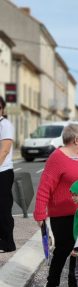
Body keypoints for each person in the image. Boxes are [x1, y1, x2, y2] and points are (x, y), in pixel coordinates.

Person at [34, 123, 78, 287]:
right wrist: (40, 214)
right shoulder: (57, 158)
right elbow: (45, 187)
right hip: (62, 214)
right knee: (63, 250)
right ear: (76, 139)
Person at [0, 96, 16, 252]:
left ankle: (8, 243)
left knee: (3, 208)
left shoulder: (4, 125)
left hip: (3, 172)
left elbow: (4, 150)